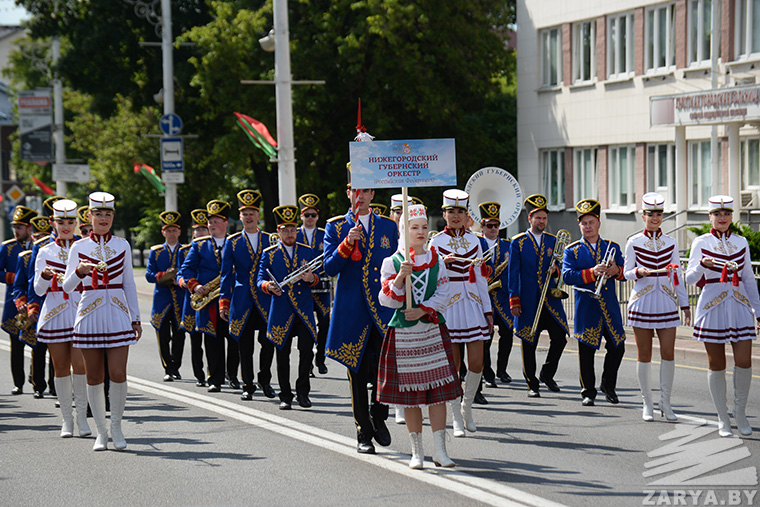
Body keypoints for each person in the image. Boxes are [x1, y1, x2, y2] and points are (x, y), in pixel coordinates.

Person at [378, 203, 460, 469]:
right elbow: (387, 301)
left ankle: (440, 450)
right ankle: (417, 451)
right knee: (411, 396)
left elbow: (445, 294)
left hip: (431, 330)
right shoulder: (392, 262)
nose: (421, 231)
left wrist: (424, 310)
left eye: (424, 227)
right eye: (414, 227)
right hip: (404, 335)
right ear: (404, 230)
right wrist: (401, 279)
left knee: (437, 394)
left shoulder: (436, 258)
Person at [324, 170, 398, 454]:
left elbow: (395, 262)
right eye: (356, 191)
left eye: (366, 191)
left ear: (373, 195)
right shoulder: (336, 227)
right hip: (353, 308)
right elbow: (330, 268)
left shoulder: (388, 227)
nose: (361, 196)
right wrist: (347, 243)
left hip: (382, 308)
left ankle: (379, 416)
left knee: (385, 368)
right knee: (355, 371)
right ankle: (362, 431)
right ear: (348, 194)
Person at [62, 192, 141, 451]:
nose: (103, 218)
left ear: (112, 217)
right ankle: (101, 432)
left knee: (118, 373)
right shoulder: (78, 247)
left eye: (108, 214)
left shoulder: (123, 245)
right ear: (89, 216)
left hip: (118, 313)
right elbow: (67, 286)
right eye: (98, 214)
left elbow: (129, 283)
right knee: (94, 376)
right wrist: (79, 271)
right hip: (89, 313)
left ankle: (117, 427)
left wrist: (136, 317)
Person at [684, 195, 758, 437]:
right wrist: (702, 265)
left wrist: (758, 310)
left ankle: (740, 412)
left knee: (745, 361)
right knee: (717, 364)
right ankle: (722, 417)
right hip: (713, 305)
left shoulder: (741, 242)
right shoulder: (701, 242)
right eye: (717, 214)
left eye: (726, 214)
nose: (722, 218)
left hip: (739, 305)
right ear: (710, 217)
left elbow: (748, 278)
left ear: (732, 216)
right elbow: (688, 278)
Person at [429, 189, 492, 437]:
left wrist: (487, 310)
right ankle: (455, 415)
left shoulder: (476, 241)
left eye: (460, 212)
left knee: (477, 362)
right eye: (451, 211)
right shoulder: (435, 242)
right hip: (450, 306)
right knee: (452, 365)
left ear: (466, 215)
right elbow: (431, 278)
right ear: (444, 214)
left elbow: (480, 278)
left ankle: (468, 406)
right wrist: (442, 264)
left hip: (473, 304)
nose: (455, 216)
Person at [624, 192, 690, 422]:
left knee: (668, 354)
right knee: (644, 355)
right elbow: (625, 272)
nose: (655, 218)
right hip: (642, 299)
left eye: (659, 214)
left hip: (665, 300)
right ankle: (647, 403)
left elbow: (677, 275)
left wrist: (685, 304)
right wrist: (638, 272)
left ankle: (666, 402)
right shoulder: (634, 242)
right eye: (650, 214)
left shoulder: (671, 243)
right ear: (643, 216)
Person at [33, 199, 91, 438]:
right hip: (56, 311)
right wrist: (46, 277)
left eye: (70, 221)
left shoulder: (85, 247)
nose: (66, 226)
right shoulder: (44, 250)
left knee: (80, 367)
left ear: (77, 223)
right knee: (60, 368)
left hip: (80, 311)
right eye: (61, 221)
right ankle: (66, 420)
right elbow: (37, 290)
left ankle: (82, 419)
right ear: (52, 223)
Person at [562, 199, 626, 407]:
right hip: (587, 307)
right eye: (584, 223)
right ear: (579, 225)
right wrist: (591, 273)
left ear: (598, 223)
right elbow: (567, 276)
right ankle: (587, 392)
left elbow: (624, 273)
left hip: (609, 306)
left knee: (618, 347)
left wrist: (616, 271)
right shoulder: (572, 251)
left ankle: (608, 386)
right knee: (586, 351)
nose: (588, 226)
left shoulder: (612, 247)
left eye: (591, 222)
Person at [258, 204, 319, 409]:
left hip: (303, 309)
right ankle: (285, 395)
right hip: (281, 309)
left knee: (306, 352)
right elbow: (259, 279)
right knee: (282, 353)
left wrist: (311, 278)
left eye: (293, 230)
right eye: (286, 230)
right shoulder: (269, 253)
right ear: (279, 231)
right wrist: (268, 285)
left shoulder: (306, 251)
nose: (290, 234)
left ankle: (303, 393)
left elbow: (317, 278)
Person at [509, 194, 569, 398]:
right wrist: (514, 300)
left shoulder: (553, 241)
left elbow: (561, 266)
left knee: (560, 337)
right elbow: (513, 274)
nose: (542, 222)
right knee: (529, 342)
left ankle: (546, 374)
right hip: (527, 301)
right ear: (530, 218)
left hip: (549, 300)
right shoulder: (517, 242)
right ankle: (531, 383)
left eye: (544, 218)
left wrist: (556, 271)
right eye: (538, 218)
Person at [219, 190, 276, 400]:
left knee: (268, 341)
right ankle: (247, 384)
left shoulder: (270, 239)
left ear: (258, 214)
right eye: (245, 213)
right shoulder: (232, 242)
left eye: (252, 212)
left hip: (265, 299)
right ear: (240, 216)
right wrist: (223, 303)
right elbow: (225, 275)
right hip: (242, 300)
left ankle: (265, 379)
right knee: (245, 345)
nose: (249, 216)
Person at [181, 200, 237, 393]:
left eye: (216, 221)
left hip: (232, 298)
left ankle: (233, 375)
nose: (212, 225)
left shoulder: (236, 242)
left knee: (234, 339)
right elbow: (186, 269)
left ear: (225, 222)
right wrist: (195, 285)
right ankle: (215, 378)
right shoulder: (200, 245)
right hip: (208, 300)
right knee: (212, 340)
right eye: (210, 222)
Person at [477, 201, 513, 398]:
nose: (493, 229)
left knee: (507, 336)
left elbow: (514, 273)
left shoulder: (508, 246)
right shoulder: (476, 244)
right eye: (489, 225)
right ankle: (487, 373)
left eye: (496, 225)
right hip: (485, 299)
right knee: (485, 340)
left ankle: (502, 370)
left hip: (504, 298)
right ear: (482, 226)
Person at [1, 205, 38, 395]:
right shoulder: (7, 248)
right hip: (14, 305)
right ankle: (19, 383)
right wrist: (15, 278)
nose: (16, 231)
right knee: (16, 345)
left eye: (20, 227)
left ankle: (35, 378)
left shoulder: (39, 246)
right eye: (14, 227)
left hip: (33, 302)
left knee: (35, 341)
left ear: (29, 229)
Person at [146, 211, 185, 382]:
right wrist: (163, 275)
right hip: (162, 300)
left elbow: (191, 270)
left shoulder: (186, 251)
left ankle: (176, 366)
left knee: (179, 335)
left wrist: (180, 278)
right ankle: (167, 368)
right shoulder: (156, 252)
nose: (171, 233)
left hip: (181, 299)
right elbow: (149, 275)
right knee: (163, 336)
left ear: (179, 232)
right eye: (168, 230)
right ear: (163, 232)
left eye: (174, 230)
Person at [296, 193, 329, 375]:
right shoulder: (295, 234)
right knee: (306, 326)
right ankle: (307, 364)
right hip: (302, 288)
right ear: (301, 216)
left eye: (313, 215)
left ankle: (320, 360)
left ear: (317, 216)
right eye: (306, 215)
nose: (310, 218)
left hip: (322, 287)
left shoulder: (325, 234)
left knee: (324, 325)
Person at [178, 209, 209, 387]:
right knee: (195, 340)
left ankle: (216, 373)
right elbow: (179, 273)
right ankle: (199, 375)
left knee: (213, 338)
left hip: (211, 297)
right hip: (192, 300)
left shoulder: (214, 247)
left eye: (203, 229)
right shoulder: (185, 251)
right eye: (197, 229)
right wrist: (184, 282)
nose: (200, 233)